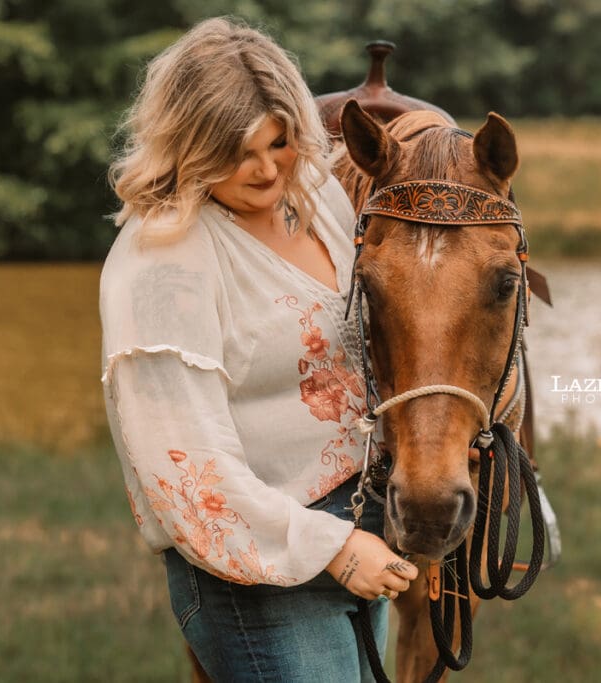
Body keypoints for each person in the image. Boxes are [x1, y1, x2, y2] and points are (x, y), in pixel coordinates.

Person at [100, 17, 418, 682]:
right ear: (188, 143)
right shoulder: (163, 261)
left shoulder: (316, 195)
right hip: (259, 574)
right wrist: (333, 548)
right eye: (238, 151)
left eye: (281, 141)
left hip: (360, 524)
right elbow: (189, 477)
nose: (268, 167)